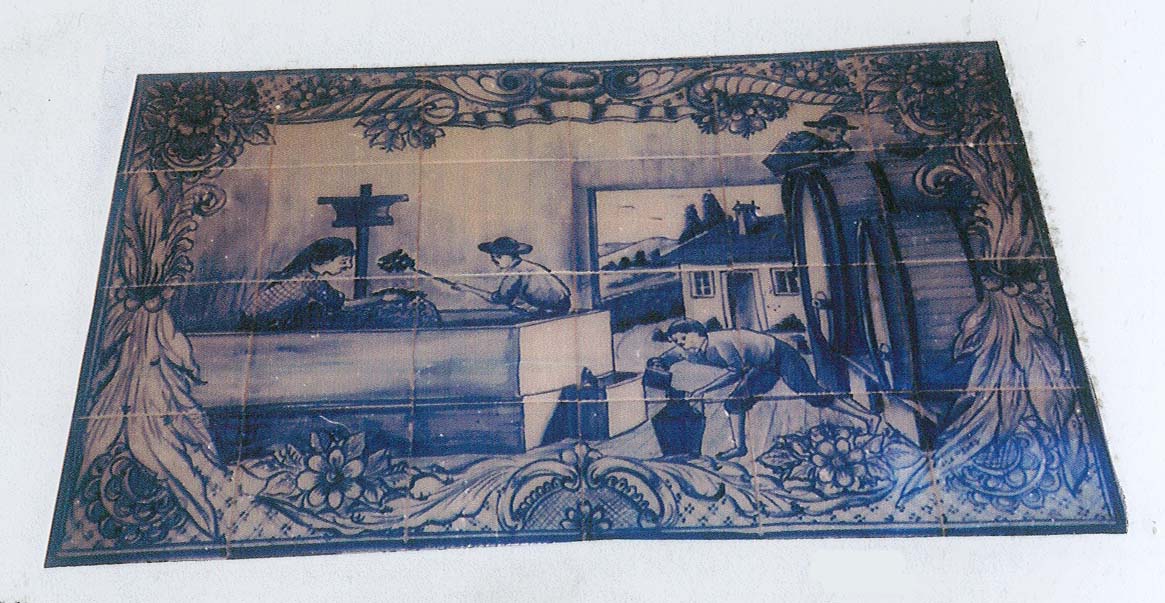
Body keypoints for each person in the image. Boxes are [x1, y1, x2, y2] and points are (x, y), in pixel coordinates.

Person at [649, 319, 883, 461]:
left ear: (697, 333)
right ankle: (739, 448)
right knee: (734, 403)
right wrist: (659, 363)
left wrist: (703, 390)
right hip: (762, 366)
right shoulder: (688, 350)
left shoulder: (719, 344)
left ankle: (868, 418)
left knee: (815, 396)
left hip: (781, 356)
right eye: (677, 342)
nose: (680, 344)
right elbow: (668, 357)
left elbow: (735, 373)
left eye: (683, 339)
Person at [241, 237, 401, 330]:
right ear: (325, 260)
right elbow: (345, 305)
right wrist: (382, 298)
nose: (349, 266)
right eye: (344, 261)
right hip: (255, 326)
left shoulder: (301, 273)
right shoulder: (309, 281)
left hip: (252, 321)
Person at [454, 236, 571, 315]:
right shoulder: (528, 266)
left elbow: (499, 299)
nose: (494, 260)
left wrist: (467, 288)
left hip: (553, 312)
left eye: (499, 256)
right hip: (562, 306)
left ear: (511, 255)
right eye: (493, 256)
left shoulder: (515, 273)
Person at [761, 113, 859, 175]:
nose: (839, 135)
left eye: (842, 132)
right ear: (819, 129)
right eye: (832, 130)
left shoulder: (841, 147)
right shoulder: (806, 139)